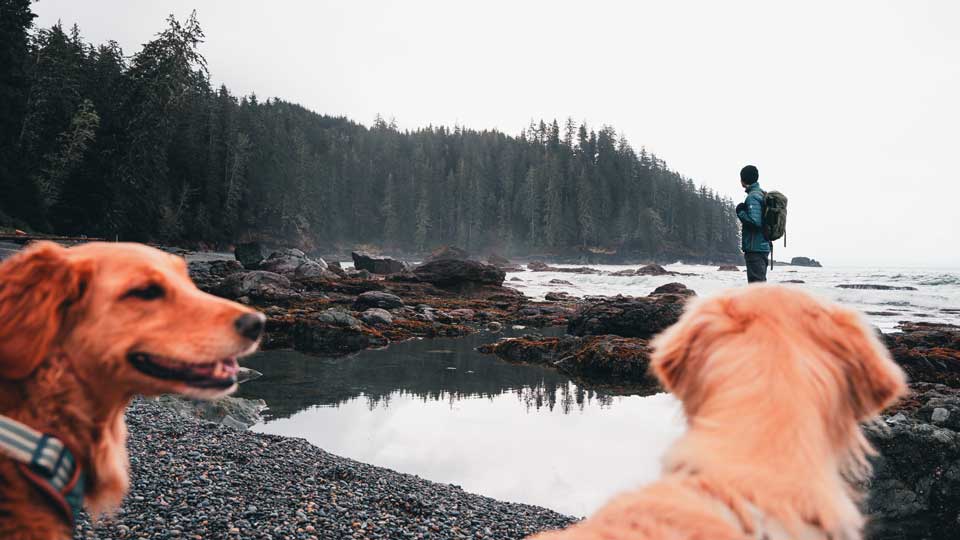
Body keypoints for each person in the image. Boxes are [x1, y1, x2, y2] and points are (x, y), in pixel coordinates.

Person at [735, 165, 770, 283]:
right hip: (762, 246)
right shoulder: (761, 194)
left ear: (743, 180)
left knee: (756, 286)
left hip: (755, 248)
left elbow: (755, 222)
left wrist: (740, 212)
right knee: (759, 285)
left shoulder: (753, 197)